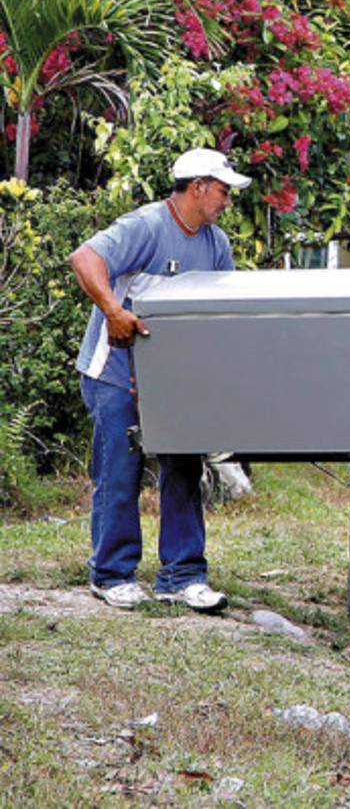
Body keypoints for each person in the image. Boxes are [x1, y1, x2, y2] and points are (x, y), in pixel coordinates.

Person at [71, 147, 251, 612]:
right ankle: (112, 574)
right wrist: (113, 310)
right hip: (114, 374)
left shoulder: (216, 245)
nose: (227, 200)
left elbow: (218, 317)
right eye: (223, 191)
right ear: (198, 187)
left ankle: (182, 575)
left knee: (184, 468)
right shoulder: (146, 226)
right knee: (119, 472)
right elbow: (85, 258)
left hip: (174, 383)